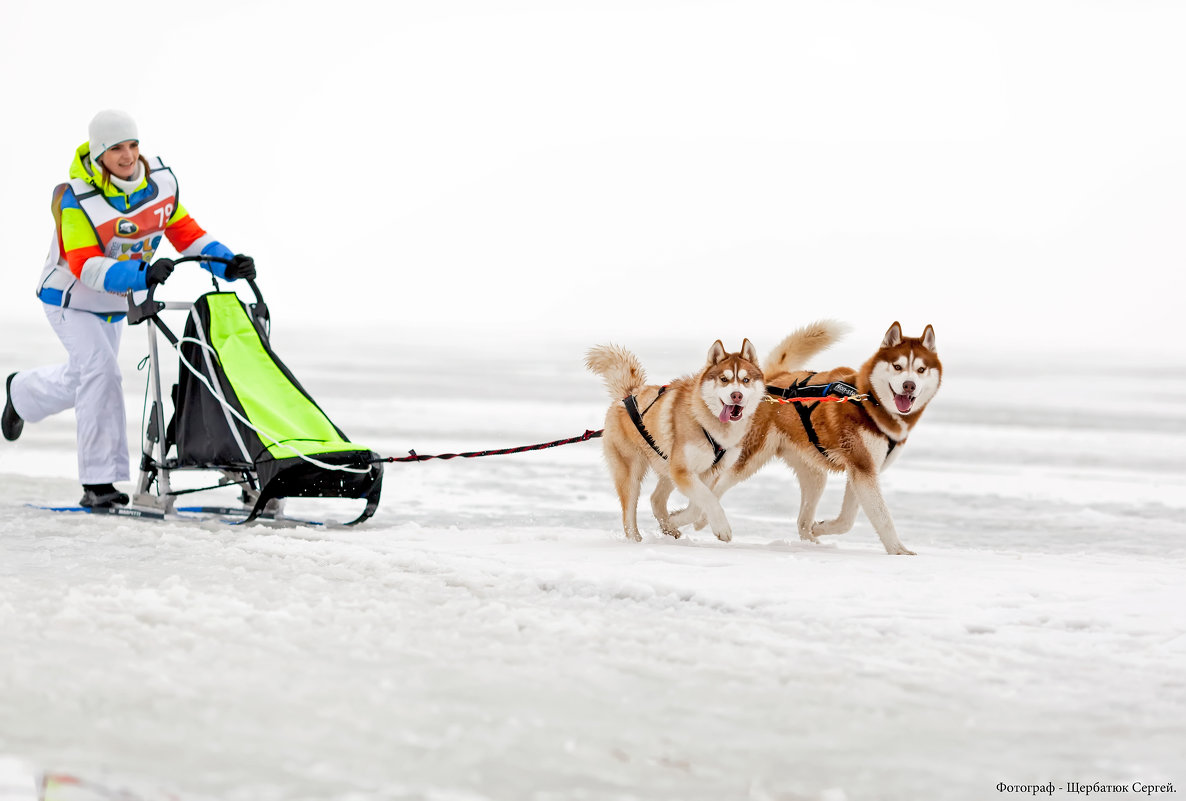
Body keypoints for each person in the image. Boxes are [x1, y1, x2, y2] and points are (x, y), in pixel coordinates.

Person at [1, 110, 257, 508]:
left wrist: (227, 263)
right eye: (116, 148)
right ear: (99, 153)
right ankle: (98, 484)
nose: (128, 155)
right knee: (101, 373)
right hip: (72, 299)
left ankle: (22, 393)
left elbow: (185, 233)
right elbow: (85, 265)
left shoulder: (159, 186)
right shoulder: (76, 198)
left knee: (86, 377)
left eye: (133, 145)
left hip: (115, 302)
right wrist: (142, 274)